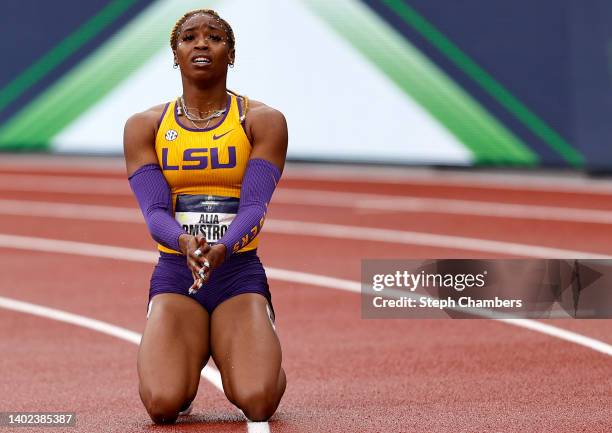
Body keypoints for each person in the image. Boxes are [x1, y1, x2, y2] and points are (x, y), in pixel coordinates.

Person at [123, 9, 287, 424]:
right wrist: (183, 242)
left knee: (258, 401)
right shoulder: (145, 126)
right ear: (174, 54)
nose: (201, 44)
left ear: (230, 54)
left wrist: (223, 248)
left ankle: (256, 343)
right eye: (189, 38)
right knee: (162, 404)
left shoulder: (261, 121)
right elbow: (155, 211)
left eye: (214, 37)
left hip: (237, 272)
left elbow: (255, 206)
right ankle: (187, 356)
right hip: (177, 274)